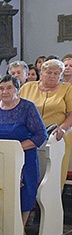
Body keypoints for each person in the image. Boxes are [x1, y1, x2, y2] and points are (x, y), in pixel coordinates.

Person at [0, 75, 47, 229]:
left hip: (24, 158)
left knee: (24, 194)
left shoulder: (27, 107)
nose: (5, 92)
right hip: (0, 159)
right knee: (0, 193)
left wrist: (17, 147)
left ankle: (20, 229)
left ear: (17, 89)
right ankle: (2, 229)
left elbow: (41, 134)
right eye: (2, 88)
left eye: (9, 88)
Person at [20, 59, 72, 189]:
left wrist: (63, 128)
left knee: (53, 175)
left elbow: (71, 114)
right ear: (41, 73)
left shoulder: (68, 89)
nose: (52, 76)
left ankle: (52, 204)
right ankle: (29, 204)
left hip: (57, 136)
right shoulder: (27, 87)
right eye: (49, 72)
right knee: (28, 173)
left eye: (56, 73)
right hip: (29, 137)